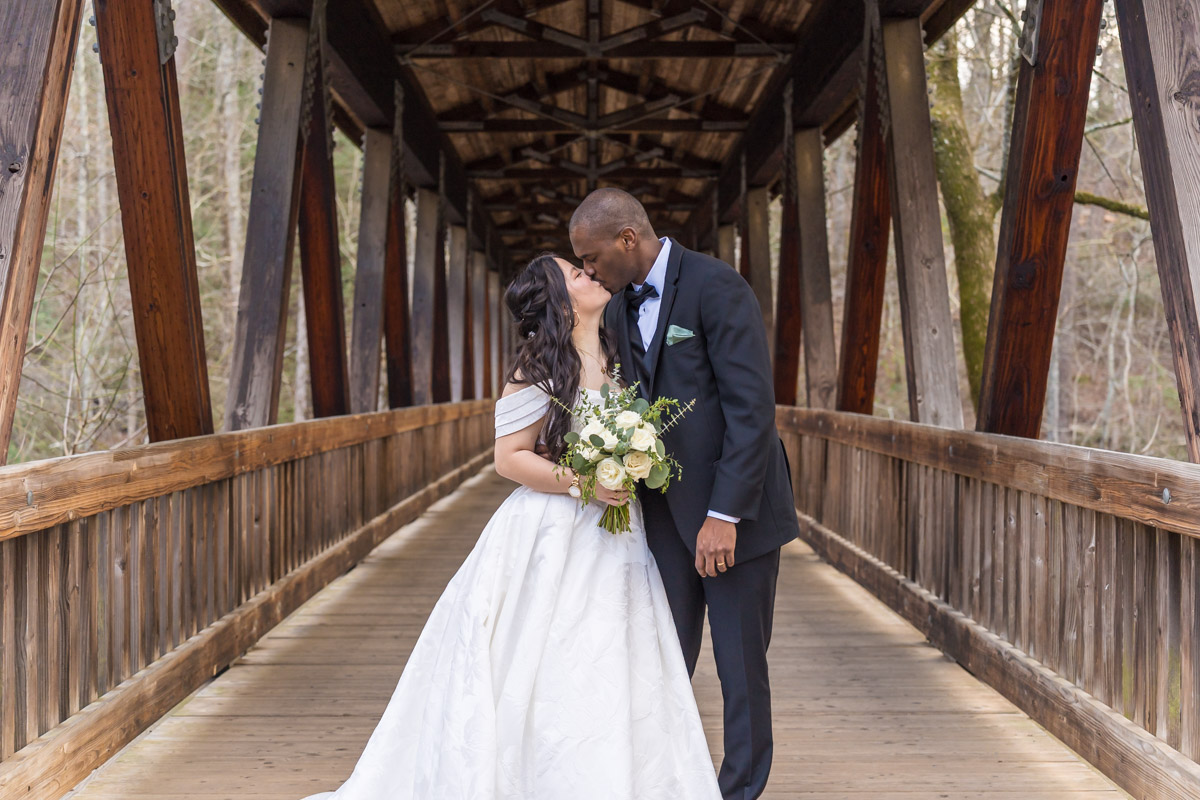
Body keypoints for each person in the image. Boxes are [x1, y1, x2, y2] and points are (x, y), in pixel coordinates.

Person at [300, 254, 721, 799]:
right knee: (542, 659)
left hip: (617, 537)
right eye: (576, 274)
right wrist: (584, 483)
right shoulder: (540, 370)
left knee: (613, 657)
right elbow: (508, 458)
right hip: (553, 530)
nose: (591, 275)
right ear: (562, 304)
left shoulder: (620, 358)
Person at [570, 188, 800, 800]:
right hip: (662, 519)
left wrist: (724, 515)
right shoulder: (618, 310)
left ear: (628, 239)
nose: (588, 272)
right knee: (660, 659)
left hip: (736, 518)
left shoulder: (717, 286)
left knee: (740, 669)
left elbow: (752, 413)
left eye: (591, 258)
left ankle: (739, 793)